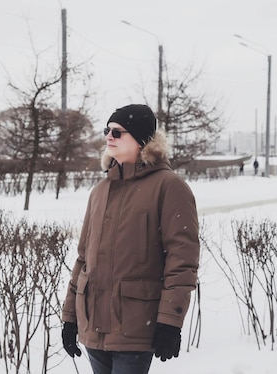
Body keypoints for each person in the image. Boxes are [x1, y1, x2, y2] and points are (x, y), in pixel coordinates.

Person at [61, 104, 200, 374]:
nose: (108, 137)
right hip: (94, 327)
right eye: (107, 131)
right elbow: (83, 258)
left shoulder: (169, 187)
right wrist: (70, 316)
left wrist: (170, 320)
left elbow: (182, 259)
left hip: (135, 325)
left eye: (117, 132)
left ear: (141, 140)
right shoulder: (100, 191)